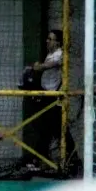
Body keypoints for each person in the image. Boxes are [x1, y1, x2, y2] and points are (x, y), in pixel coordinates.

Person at [20, 29, 66, 172]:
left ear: (57, 42)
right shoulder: (50, 54)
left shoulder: (60, 54)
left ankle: (71, 159)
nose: (47, 41)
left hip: (53, 97)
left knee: (55, 130)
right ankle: (40, 160)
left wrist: (36, 66)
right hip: (46, 95)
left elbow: (49, 65)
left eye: (50, 39)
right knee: (45, 130)